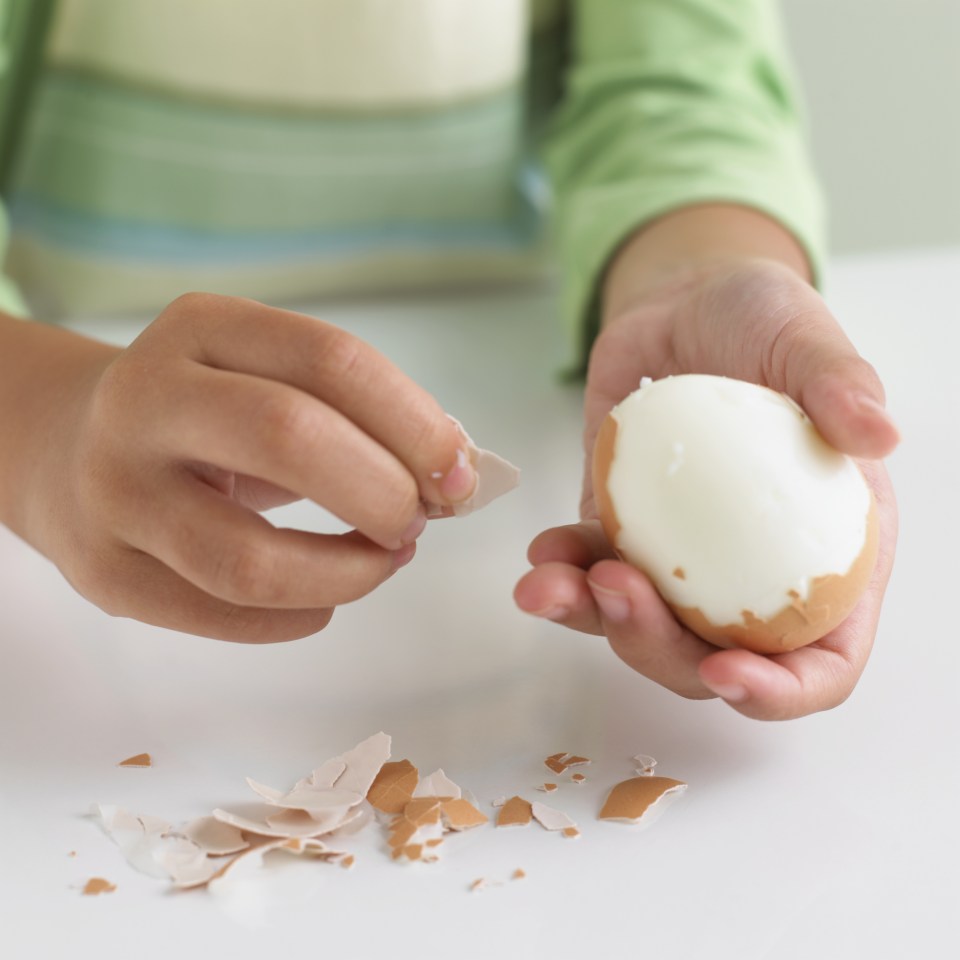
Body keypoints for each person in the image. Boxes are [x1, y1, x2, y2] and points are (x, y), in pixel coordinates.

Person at [0, 0, 898, 722]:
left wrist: (695, 274)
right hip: (77, 441)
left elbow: (683, 95)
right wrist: (42, 424)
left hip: (530, 381)